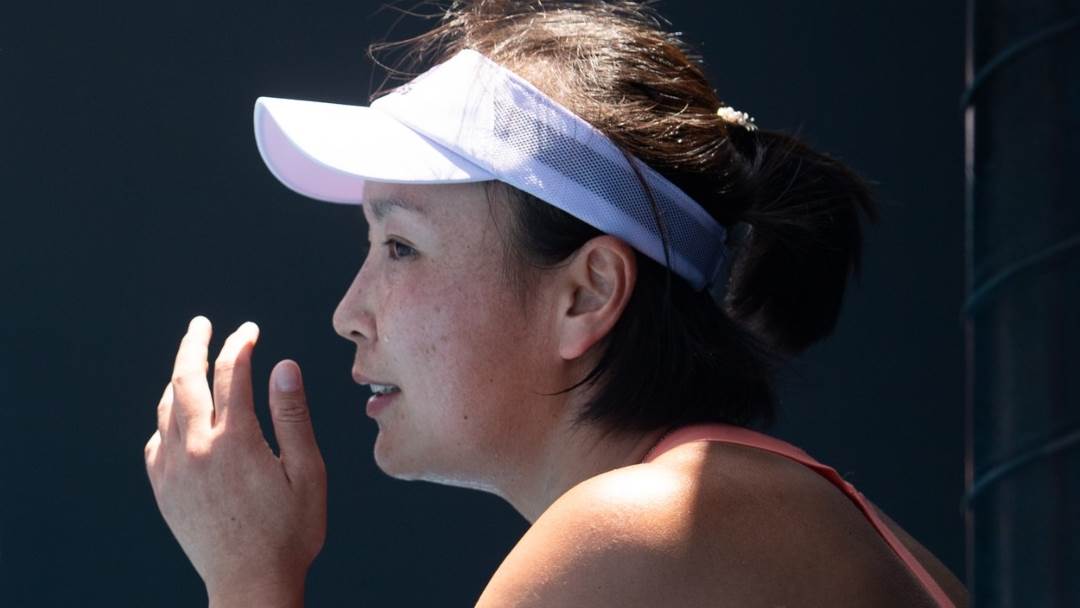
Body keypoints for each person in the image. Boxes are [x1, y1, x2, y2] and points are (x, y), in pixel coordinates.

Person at [143, 1, 969, 606]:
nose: (348, 313)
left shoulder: (635, 532)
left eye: (400, 246)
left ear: (587, 293)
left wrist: (249, 577)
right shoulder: (780, 519)